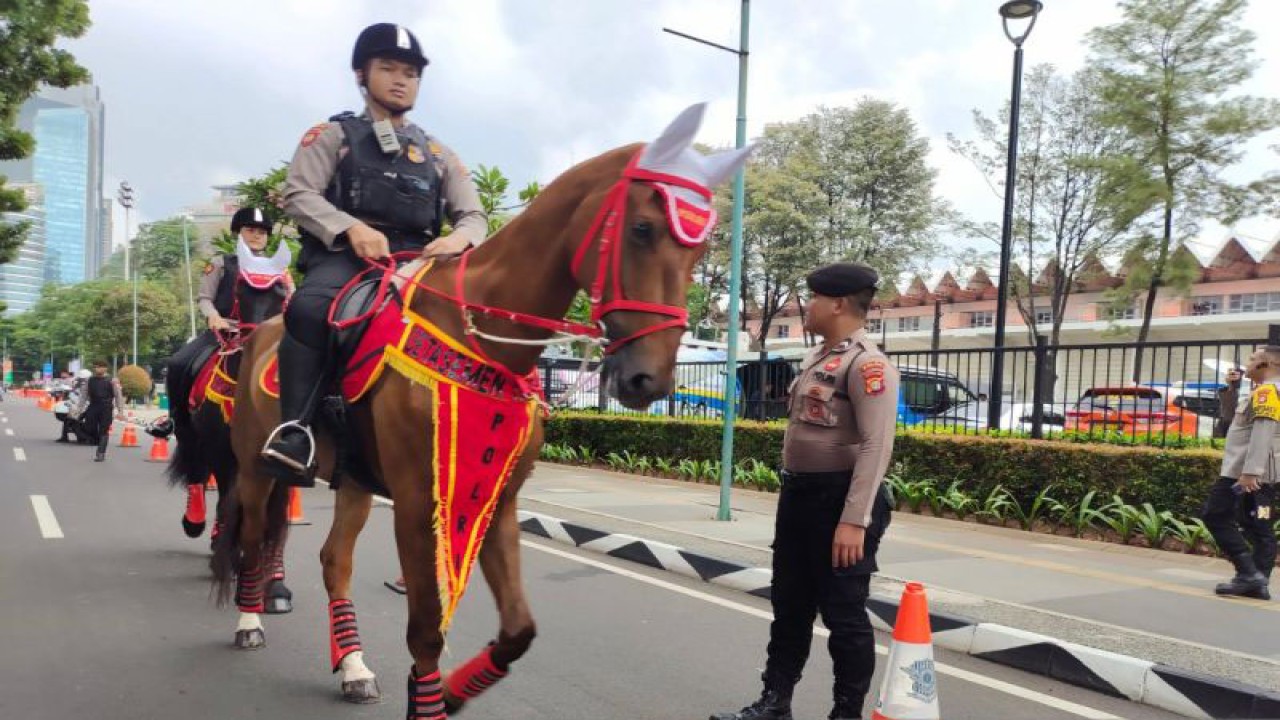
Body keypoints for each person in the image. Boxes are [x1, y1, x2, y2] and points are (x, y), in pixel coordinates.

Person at [261, 22, 486, 484]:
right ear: (362, 74)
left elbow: (474, 216)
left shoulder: (441, 154)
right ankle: (296, 431)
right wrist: (350, 228)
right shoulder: (332, 135)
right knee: (308, 308)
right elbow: (300, 194)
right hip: (346, 258)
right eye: (388, 68)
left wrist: (458, 240)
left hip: (419, 261)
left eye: (411, 72)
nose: (401, 79)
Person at [712, 263, 899, 720]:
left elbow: (877, 445)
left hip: (840, 502)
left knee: (844, 616)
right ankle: (775, 703)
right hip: (799, 498)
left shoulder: (866, 363)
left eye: (813, 298)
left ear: (836, 304)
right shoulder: (820, 357)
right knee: (789, 607)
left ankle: (845, 714)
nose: (807, 307)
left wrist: (854, 520)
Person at [165, 207, 287, 399]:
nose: (256, 236)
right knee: (178, 363)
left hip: (267, 337)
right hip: (224, 332)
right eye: (250, 230)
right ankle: (175, 419)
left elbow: (291, 301)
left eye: (262, 232)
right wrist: (213, 316)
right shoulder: (220, 263)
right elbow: (205, 298)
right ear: (238, 233)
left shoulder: (280, 270)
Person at [1202, 346, 1278, 600]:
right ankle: (1255, 581)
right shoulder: (1260, 391)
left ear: (1266, 363)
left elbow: (1262, 432)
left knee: (1218, 516)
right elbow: (1229, 425)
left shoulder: (1268, 391)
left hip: (1248, 474)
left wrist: (1251, 472)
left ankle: (1250, 575)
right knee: (1252, 524)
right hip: (1248, 472)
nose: (1248, 362)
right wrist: (1231, 390)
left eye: (1253, 358)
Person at [74, 360, 125, 462]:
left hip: (106, 408)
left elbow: (118, 396)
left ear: (105, 368)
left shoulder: (112, 381)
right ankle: (97, 440)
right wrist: (79, 409)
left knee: (104, 430)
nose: (97, 369)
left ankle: (101, 453)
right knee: (89, 428)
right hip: (93, 406)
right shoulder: (90, 380)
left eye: (99, 367)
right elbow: (84, 395)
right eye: (95, 367)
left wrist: (120, 411)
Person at [56, 369, 92, 443]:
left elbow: (88, 397)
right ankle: (64, 437)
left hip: (87, 406)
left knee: (75, 420)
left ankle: (82, 437)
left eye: (83, 379)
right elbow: (73, 392)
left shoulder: (92, 385)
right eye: (81, 379)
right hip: (77, 405)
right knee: (68, 419)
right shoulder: (77, 384)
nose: (82, 380)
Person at [1213, 367, 1244, 439]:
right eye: (1232, 374)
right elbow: (1227, 412)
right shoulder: (1227, 392)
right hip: (1227, 428)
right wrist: (1231, 385)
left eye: (1237, 375)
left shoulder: (1250, 390)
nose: (1234, 377)